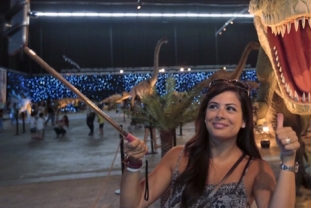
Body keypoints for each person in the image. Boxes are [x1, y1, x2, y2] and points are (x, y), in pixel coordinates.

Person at [120, 79, 300, 208]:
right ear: (205, 116)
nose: (219, 114)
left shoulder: (255, 169)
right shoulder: (178, 157)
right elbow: (133, 204)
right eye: (213, 106)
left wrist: (288, 160)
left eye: (230, 109)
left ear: (245, 121)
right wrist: (134, 165)